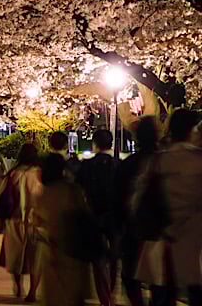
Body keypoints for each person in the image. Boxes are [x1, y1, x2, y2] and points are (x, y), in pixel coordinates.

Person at [133, 108, 202, 306]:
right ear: (192, 130)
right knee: (195, 290)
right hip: (194, 239)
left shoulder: (159, 160)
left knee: (163, 290)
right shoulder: (198, 160)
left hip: (163, 239)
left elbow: (138, 199)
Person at [33, 154, 91, 306]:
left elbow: (38, 222)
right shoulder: (73, 190)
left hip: (52, 249)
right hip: (75, 248)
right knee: (74, 293)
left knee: (55, 294)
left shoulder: (44, 193)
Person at [114, 116, 158, 306]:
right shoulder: (165, 160)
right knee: (161, 279)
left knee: (131, 276)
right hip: (161, 229)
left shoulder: (128, 164)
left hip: (133, 228)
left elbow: (117, 198)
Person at [76, 128, 118, 306]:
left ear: (95, 143)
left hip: (93, 216)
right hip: (115, 217)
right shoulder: (118, 165)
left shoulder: (86, 166)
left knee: (97, 258)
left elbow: (79, 190)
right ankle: (112, 288)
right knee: (114, 257)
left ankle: (104, 296)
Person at [0, 143, 43, 301]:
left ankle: (18, 286)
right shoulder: (41, 175)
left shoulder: (13, 174)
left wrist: (0, 222)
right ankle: (32, 293)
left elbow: (1, 199)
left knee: (15, 255)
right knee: (35, 258)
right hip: (36, 221)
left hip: (14, 220)